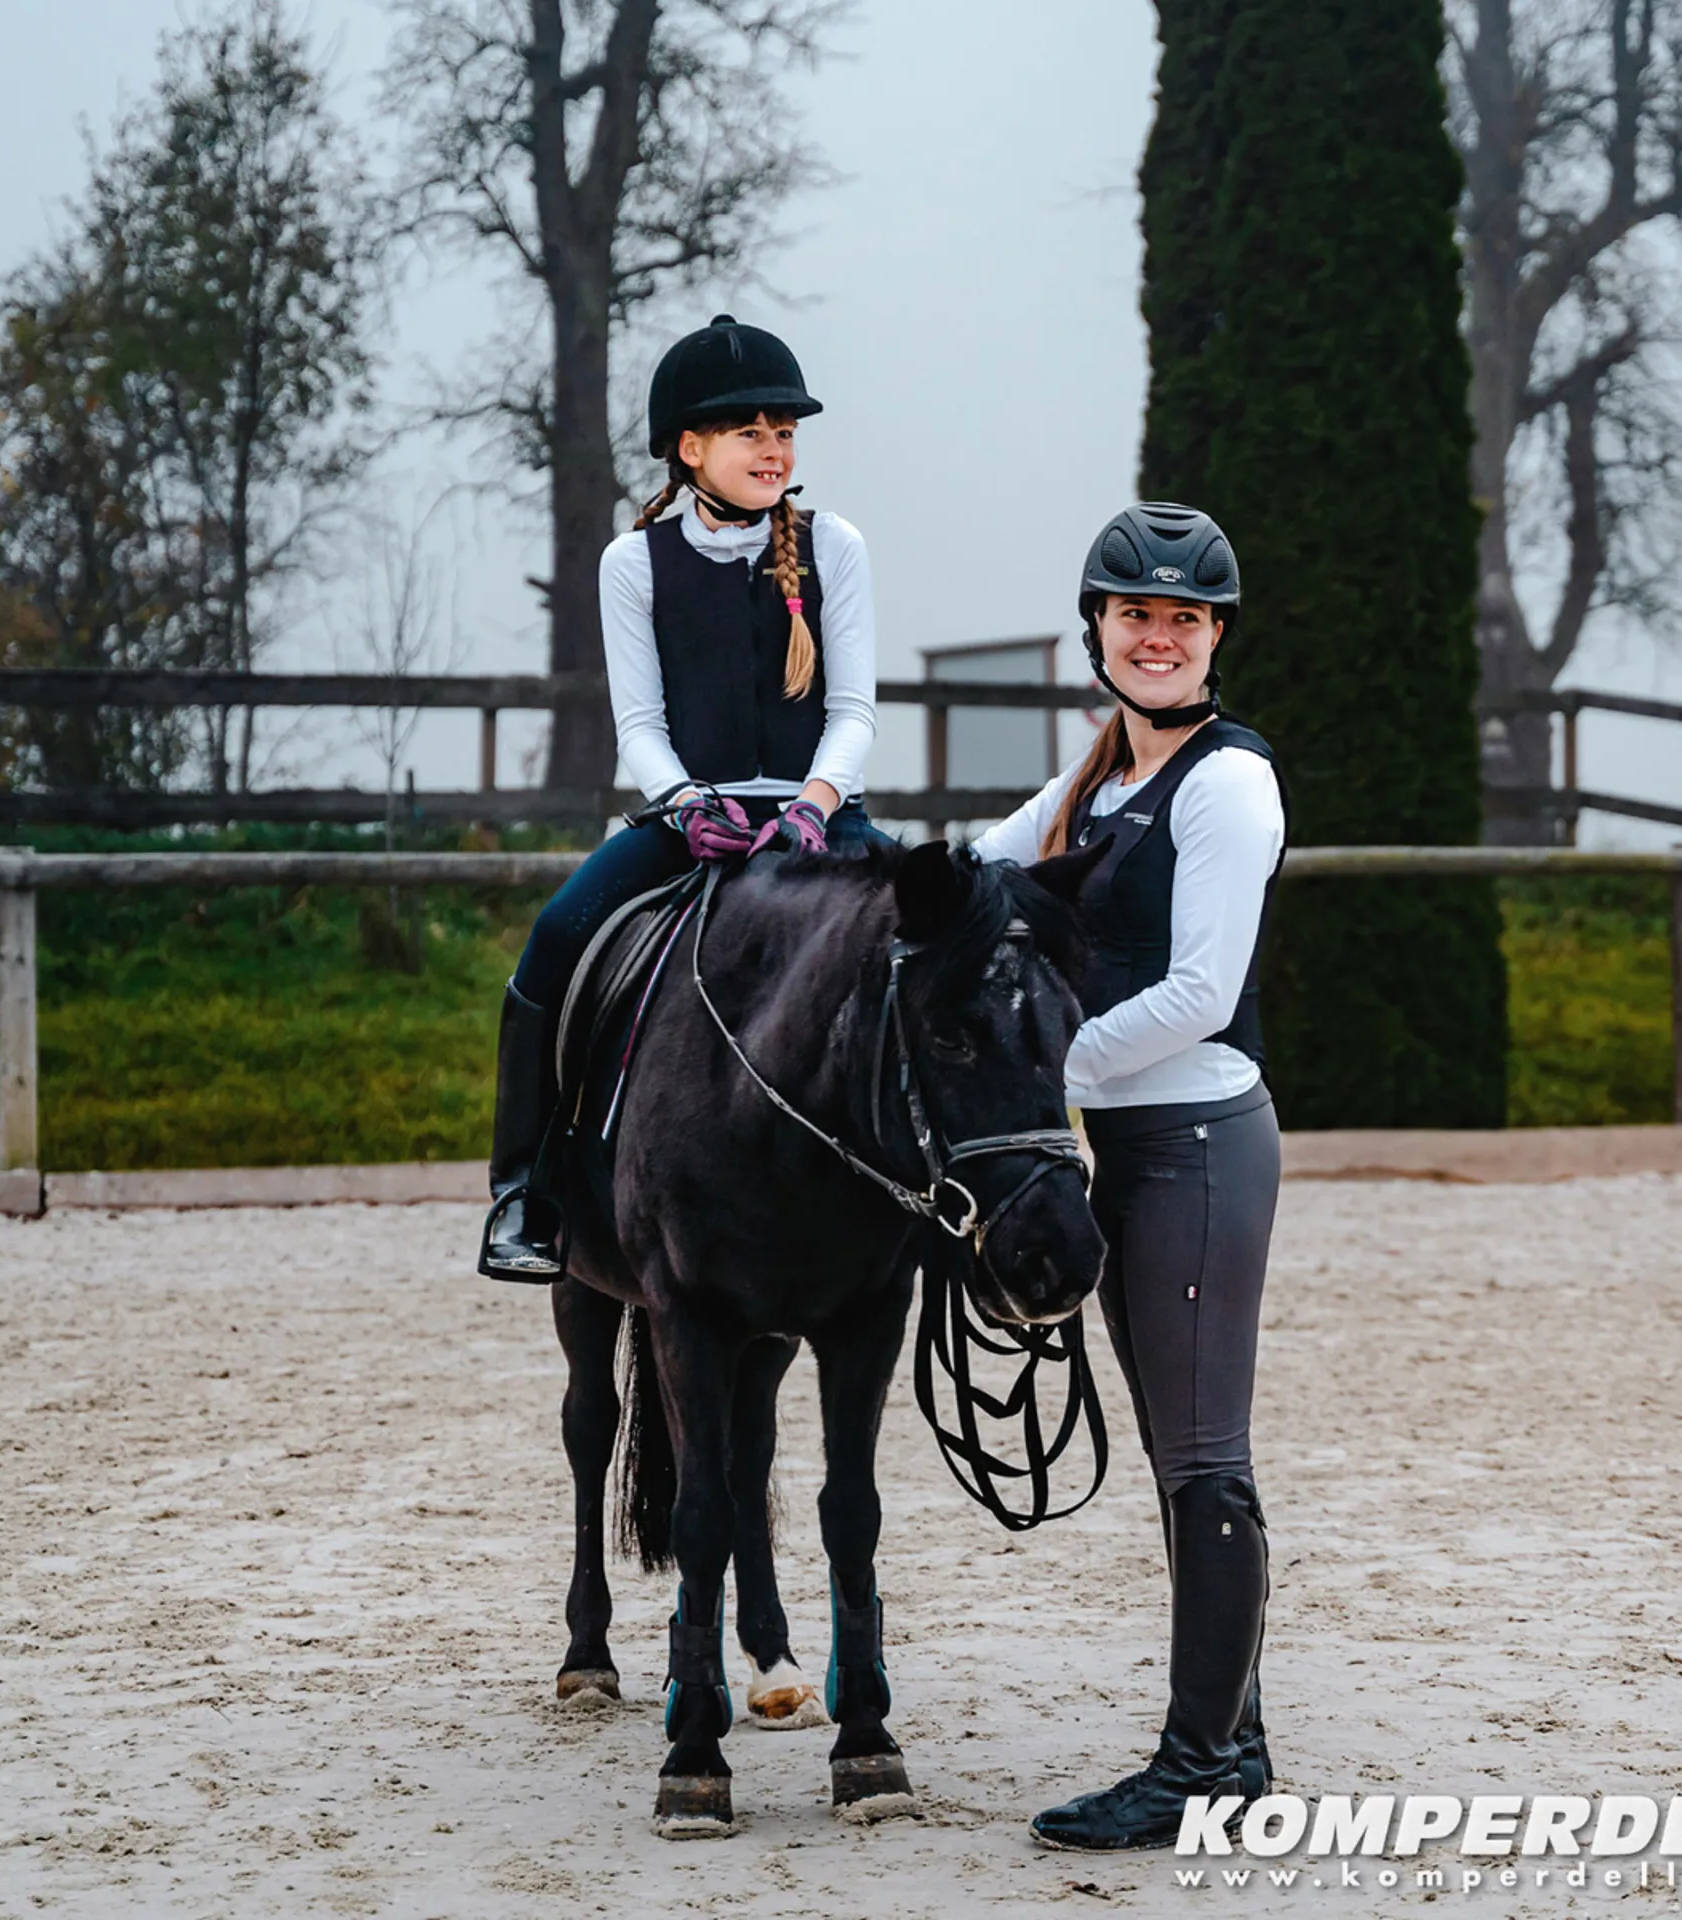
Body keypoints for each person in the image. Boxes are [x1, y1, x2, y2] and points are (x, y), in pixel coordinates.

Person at [974, 502, 1286, 1851]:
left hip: (1198, 1146)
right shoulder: (1100, 777)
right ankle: (1234, 1742)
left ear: (1216, 637)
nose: (1158, 638)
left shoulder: (1226, 785)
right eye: (1136, 615)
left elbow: (1203, 992)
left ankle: (1203, 1765)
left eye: (1184, 619)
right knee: (1179, 1455)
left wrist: (1045, 1070)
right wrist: (837, 857)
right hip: (1130, 1148)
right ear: (1097, 628)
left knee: (1205, 1459)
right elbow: (982, 864)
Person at [480, 314, 885, 1280]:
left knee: (936, 944)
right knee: (556, 936)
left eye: (784, 432)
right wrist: (686, 802)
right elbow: (641, 724)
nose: (774, 449)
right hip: (695, 821)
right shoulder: (633, 564)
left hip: (818, 816)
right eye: (751, 433)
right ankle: (523, 1192)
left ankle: (950, 1196)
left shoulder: (836, 547)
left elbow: (854, 711)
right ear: (691, 448)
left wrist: (814, 804)